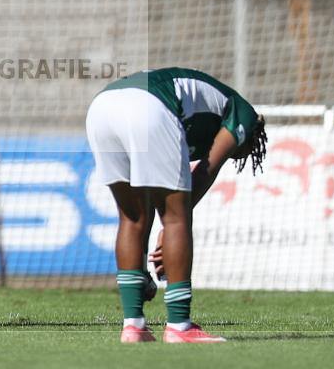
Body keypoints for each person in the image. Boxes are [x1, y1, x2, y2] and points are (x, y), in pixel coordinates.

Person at [86, 67, 267, 344]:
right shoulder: (244, 114)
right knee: (176, 219)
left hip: (102, 108)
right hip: (148, 106)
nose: (242, 155)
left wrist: (167, 231)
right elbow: (207, 169)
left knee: (132, 218)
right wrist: (169, 229)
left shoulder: (205, 117)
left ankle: (133, 327)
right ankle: (179, 327)